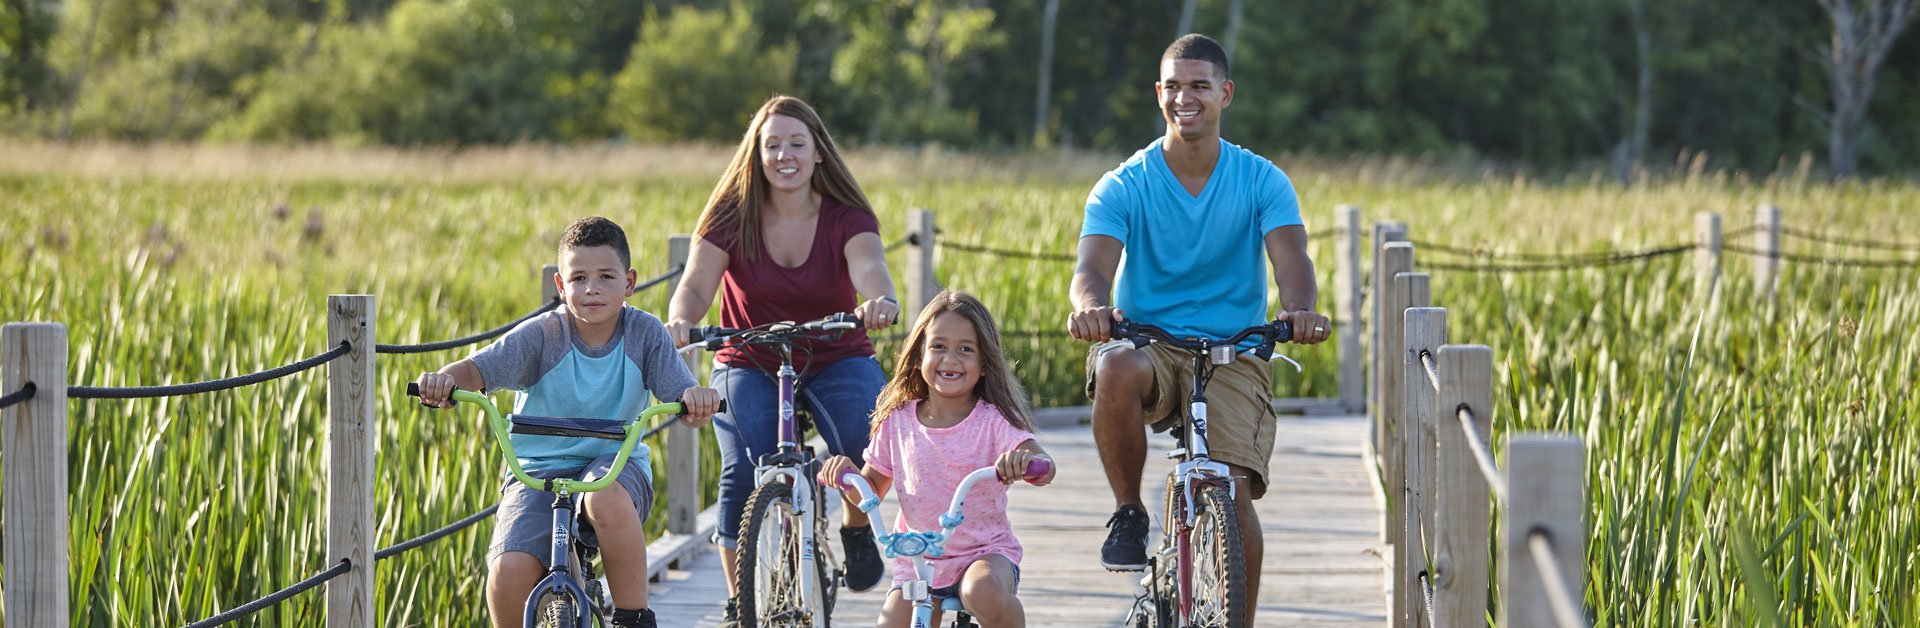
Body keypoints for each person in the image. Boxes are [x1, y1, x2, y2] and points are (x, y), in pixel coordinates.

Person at [1065, 34, 1333, 627]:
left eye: (1200, 86)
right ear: (1159, 94)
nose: (1186, 98)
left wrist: (1300, 308)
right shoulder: (1124, 183)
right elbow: (1092, 268)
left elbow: (1291, 259)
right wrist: (1091, 306)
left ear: (1225, 94)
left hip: (1234, 349)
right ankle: (1130, 511)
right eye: (1175, 87)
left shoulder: (1261, 179)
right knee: (1112, 365)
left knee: (1234, 503)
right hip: (1149, 343)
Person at [413, 216, 722, 628]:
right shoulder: (543, 335)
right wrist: (444, 381)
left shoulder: (645, 333)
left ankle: (633, 618)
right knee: (508, 572)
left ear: (629, 283)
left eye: (606, 276)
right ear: (561, 286)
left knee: (605, 499)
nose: (591, 288)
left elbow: (682, 396)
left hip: (613, 462)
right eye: (578, 278)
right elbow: (477, 369)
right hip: (537, 471)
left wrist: (695, 401)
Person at [664, 95, 900, 624]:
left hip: (836, 350)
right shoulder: (730, 214)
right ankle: (738, 599)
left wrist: (877, 301)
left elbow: (871, 267)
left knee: (872, 444)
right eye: (772, 145)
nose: (784, 155)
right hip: (749, 357)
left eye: (797, 143)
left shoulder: (847, 215)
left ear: (819, 153)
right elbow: (696, 284)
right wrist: (681, 319)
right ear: (757, 153)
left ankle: (855, 527)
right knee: (743, 475)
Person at [818, 291, 1055, 628]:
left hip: (984, 553)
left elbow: (1042, 464)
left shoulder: (993, 419)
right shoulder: (897, 420)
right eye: (939, 346)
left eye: (966, 349)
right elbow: (869, 492)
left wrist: (1025, 462)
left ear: (985, 363)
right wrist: (848, 477)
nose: (951, 359)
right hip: (918, 560)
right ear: (918, 356)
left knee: (982, 591)